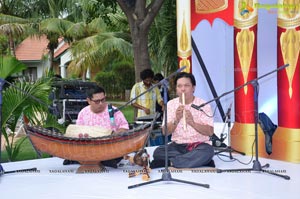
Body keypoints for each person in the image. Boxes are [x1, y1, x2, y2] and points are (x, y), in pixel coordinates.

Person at [150, 72, 215, 168]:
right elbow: (165, 132)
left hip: (198, 145)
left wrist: (193, 123)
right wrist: (176, 119)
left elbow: (210, 132)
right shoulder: (171, 104)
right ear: (176, 89)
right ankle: (194, 160)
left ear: (193, 88)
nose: (183, 89)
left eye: (187, 86)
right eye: (179, 86)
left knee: (208, 151)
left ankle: (170, 163)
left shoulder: (203, 105)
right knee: (158, 152)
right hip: (177, 146)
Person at [64, 85, 129, 168]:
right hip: (89, 149)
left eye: (103, 100)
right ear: (89, 101)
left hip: (110, 149)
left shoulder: (113, 111)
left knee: (112, 159)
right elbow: (78, 132)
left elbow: (125, 128)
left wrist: (116, 134)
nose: (101, 104)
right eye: (97, 101)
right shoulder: (83, 113)